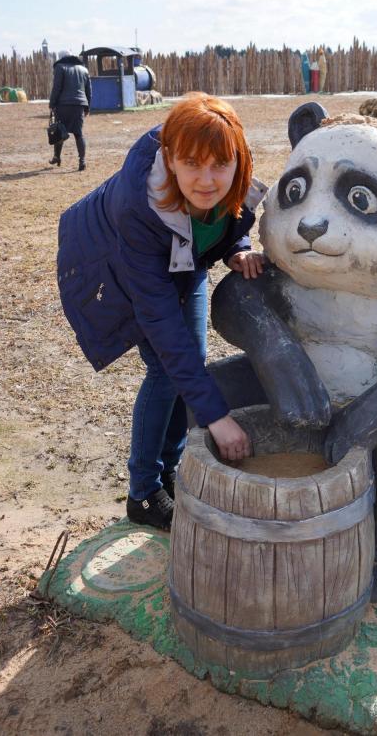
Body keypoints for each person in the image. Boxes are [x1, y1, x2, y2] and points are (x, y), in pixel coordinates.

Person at [57, 93, 267, 530]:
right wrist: (217, 418)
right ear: (170, 158)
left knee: (189, 364)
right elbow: (160, 322)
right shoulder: (139, 208)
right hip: (116, 266)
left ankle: (170, 472)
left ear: (238, 158)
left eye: (219, 164)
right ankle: (144, 492)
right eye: (192, 163)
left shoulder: (237, 178)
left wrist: (237, 250)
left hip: (182, 266)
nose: (207, 180)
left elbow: (222, 223)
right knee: (168, 368)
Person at [49, 52, 91, 171]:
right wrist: (88, 107)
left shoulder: (60, 67)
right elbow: (88, 90)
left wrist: (52, 104)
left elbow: (56, 87)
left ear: (61, 58)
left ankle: (57, 157)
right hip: (79, 106)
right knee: (78, 133)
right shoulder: (84, 69)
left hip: (63, 104)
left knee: (59, 131)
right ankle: (82, 161)